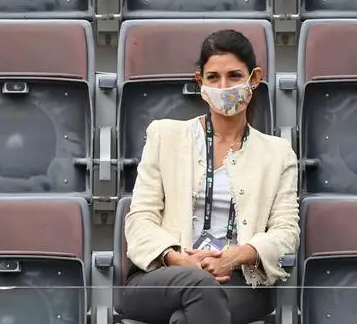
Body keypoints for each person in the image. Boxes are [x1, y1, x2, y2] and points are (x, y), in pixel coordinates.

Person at [120, 29, 300, 324]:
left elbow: (285, 232)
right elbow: (140, 218)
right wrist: (179, 259)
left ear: (254, 79)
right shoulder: (165, 136)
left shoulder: (278, 153)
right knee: (198, 286)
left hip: (239, 280)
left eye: (234, 76)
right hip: (162, 275)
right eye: (213, 77)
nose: (223, 86)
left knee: (186, 317)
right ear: (199, 81)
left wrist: (235, 256)